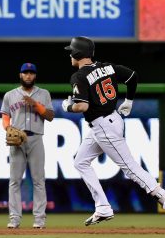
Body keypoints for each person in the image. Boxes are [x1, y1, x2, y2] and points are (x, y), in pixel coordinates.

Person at [62, 36, 165, 226]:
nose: (70, 54)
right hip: (110, 120)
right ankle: (102, 207)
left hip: (103, 126)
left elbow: (82, 107)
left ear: (78, 53)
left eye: (71, 51)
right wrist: (129, 100)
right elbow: (133, 76)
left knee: (130, 167)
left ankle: (161, 195)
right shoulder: (107, 67)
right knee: (80, 161)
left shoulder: (78, 76)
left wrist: (68, 106)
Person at [0, 63, 54, 229]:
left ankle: (39, 220)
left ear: (35, 76)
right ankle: (14, 219)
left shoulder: (44, 94)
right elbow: (5, 116)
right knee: (14, 181)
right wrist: (8, 128)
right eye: (25, 73)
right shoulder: (10, 95)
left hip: (36, 138)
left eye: (31, 73)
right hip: (17, 140)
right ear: (20, 75)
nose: (28, 76)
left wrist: (35, 104)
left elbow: (50, 116)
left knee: (38, 180)